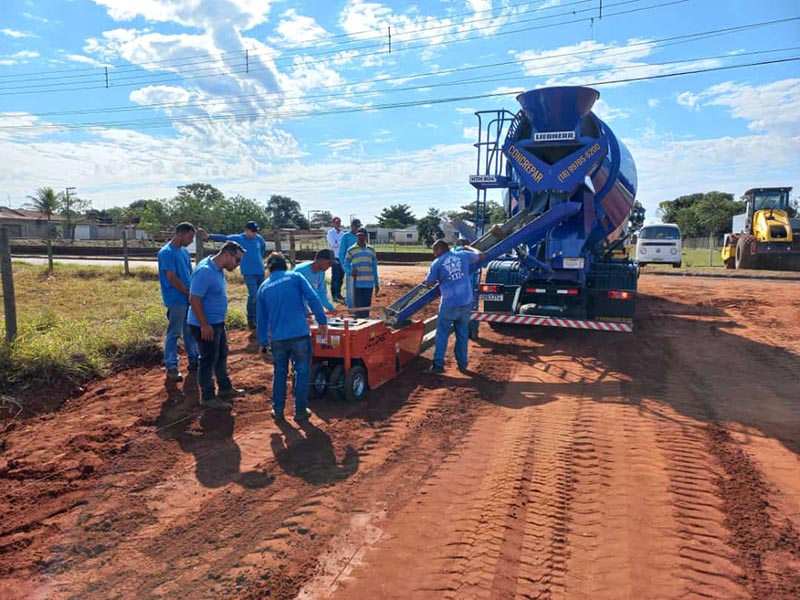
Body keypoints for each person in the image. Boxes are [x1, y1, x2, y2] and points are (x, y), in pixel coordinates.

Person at [257, 252, 329, 421]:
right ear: (284, 265)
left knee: (280, 372)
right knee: (302, 371)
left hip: (278, 338)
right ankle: (300, 411)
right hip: (299, 334)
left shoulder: (263, 287)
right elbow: (313, 297)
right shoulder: (295, 277)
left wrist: (263, 343)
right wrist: (322, 321)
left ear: (269, 268)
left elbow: (261, 318)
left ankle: (278, 410)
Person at [187, 241, 247, 410]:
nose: (238, 265)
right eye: (237, 260)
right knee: (207, 360)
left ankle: (225, 388)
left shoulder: (217, 269)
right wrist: (205, 325)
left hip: (216, 322)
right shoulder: (205, 271)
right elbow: (194, 299)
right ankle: (207, 397)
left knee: (221, 355)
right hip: (204, 325)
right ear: (227, 255)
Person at [424, 238, 485, 374]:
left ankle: (438, 365)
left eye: (435, 251)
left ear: (439, 249)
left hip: (449, 304)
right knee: (462, 334)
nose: (434, 254)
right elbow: (482, 255)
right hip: (465, 302)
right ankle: (462, 364)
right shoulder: (463, 255)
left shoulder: (437, 263)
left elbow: (429, 283)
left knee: (442, 335)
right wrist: (469, 247)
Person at [201, 221, 267, 329]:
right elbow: (224, 238)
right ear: (246, 230)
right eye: (253, 231)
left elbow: (262, 249)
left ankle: (261, 317)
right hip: (249, 272)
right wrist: (209, 236)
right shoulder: (238, 239)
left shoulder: (259, 239)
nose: (255, 233)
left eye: (256, 231)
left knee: (262, 295)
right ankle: (251, 318)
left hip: (260, 271)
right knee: (253, 295)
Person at [157, 222, 200, 382]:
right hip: (176, 298)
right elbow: (171, 277)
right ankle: (171, 365)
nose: (190, 241)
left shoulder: (183, 252)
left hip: (187, 296)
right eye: (190, 237)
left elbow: (188, 273)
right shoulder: (166, 252)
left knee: (189, 330)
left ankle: (194, 359)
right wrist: (187, 292)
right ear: (181, 234)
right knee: (174, 332)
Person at [343, 227, 379, 319]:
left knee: (366, 307)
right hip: (357, 284)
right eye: (358, 236)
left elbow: (374, 268)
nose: (360, 238)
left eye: (362, 236)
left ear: (366, 236)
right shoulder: (351, 250)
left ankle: (365, 324)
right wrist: (350, 272)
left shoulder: (371, 250)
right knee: (358, 307)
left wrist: (376, 283)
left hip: (369, 283)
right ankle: (359, 323)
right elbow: (345, 265)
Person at [453, 234, 481, 339]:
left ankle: (464, 332)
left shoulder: (454, 251)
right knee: (472, 308)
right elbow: (481, 257)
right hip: (470, 285)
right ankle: (472, 332)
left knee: (461, 309)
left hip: (459, 286)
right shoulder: (469, 252)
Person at [293, 249, 337, 314]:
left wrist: (330, 308)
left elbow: (321, 293)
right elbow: (294, 293)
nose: (330, 266)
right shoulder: (300, 271)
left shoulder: (321, 273)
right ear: (320, 260)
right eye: (329, 263)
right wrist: (305, 309)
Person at [338, 218, 361, 309]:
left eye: (358, 226)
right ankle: (350, 306)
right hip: (350, 266)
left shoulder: (360, 236)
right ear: (351, 226)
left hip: (359, 266)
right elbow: (341, 252)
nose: (357, 228)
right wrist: (344, 266)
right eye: (355, 226)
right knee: (350, 287)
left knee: (359, 287)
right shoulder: (346, 236)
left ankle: (358, 305)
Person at [326, 216, 345, 303]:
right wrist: (340, 243)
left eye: (339, 222)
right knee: (335, 276)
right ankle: (334, 295)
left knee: (341, 276)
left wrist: (338, 243)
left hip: (342, 257)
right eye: (336, 222)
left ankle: (339, 293)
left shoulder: (342, 233)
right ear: (333, 223)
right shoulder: (330, 233)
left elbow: (341, 244)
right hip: (334, 257)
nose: (338, 224)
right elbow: (333, 244)